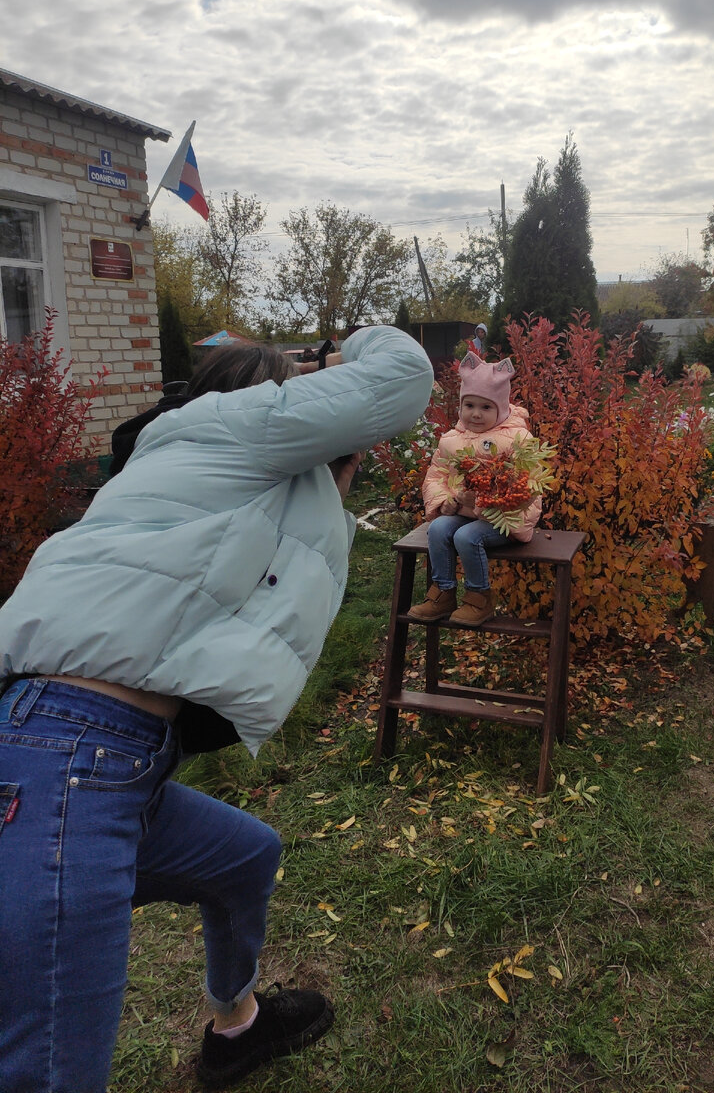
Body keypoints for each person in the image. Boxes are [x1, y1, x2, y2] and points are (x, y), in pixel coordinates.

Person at [0, 325, 433, 1092]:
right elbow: (401, 374)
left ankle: (239, 1028)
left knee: (244, 856)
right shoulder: (239, 424)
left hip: (97, 761)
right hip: (65, 765)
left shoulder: (196, 470)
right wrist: (338, 359)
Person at [407, 352, 542, 627]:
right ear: (460, 406)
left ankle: (479, 598)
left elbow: (526, 487)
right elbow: (436, 476)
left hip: (506, 519)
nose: (476, 413)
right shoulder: (451, 440)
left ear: (501, 409)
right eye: (469, 405)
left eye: (486, 407)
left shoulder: (518, 439)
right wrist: (447, 500)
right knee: (438, 528)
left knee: (467, 536)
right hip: (465, 511)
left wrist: (481, 498)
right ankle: (443, 592)